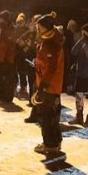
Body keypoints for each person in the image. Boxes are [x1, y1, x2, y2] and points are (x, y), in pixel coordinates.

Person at [32, 16, 66, 156]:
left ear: (46, 27)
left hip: (49, 86)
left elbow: (52, 68)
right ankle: (55, 142)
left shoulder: (51, 44)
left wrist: (43, 87)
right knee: (53, 115)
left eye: (39, 27)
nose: (37, 30)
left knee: (46, 117)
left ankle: (50, 144)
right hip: (50, 85)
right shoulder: (49, 42)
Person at [0, 10, 18, 104]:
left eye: (1, 19)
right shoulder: (2, 28)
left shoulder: (11, 28)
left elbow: (10, 44)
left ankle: (8, 97)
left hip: (8, 59)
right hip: (2, 57)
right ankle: (2, 95)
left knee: (8, 79)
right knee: (1, 78)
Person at [15, 13, 34, 99]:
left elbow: (27, 42)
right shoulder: (16, 30)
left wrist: (24, 46)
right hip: (18, 54)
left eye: (21, 22)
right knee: (20, 72)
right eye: (18, 22)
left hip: (25, 55)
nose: (19, 24)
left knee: (24, 72)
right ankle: (22, 88)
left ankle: (24, 88)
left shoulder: (27, 31)